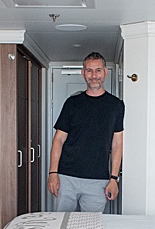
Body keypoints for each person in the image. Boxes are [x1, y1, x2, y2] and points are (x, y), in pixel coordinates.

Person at [47, 52, 124, 212]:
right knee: (62, 223)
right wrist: (53, 173)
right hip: (66, 177)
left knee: (91, 228)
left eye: (98, 70)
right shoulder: (72, 104)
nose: (94, 75)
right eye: (89, 70)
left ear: (105, 72)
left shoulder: (116, 106)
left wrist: (114, 178)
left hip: (98, 180)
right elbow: (59, 139)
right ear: (83, 73)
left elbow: (117, 143)